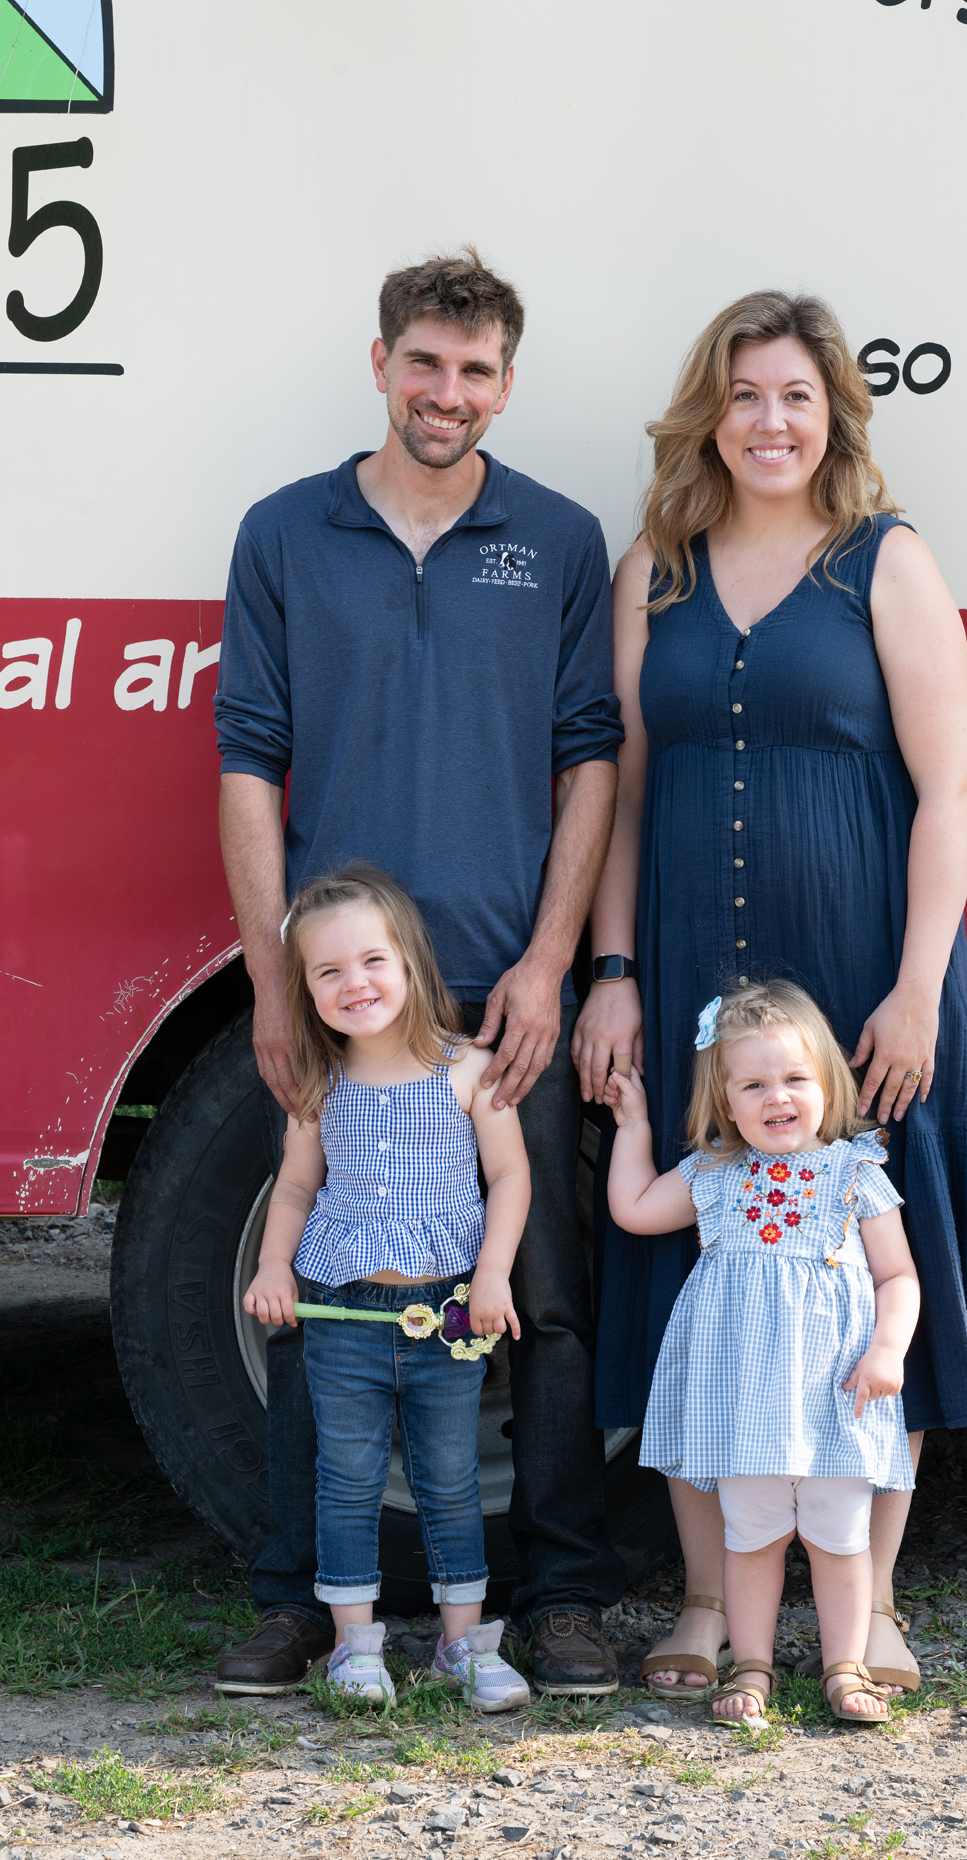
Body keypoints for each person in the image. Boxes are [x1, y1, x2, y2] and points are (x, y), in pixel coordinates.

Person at [574, 289, 967, 1699]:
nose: (771, 422)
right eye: (746, 395)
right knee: (694, 1280)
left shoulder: (885, 563)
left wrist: (914, 989)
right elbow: (623, 792)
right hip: (694, 962)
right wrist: (615, 971)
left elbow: (951, 788)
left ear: (835, 418)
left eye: (797, 398)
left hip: (865, 974)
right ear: (711, 412)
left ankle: (867, 1608)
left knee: (872, 1275)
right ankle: (709, 1602)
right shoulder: (655, 568)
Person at [213, 249, 627, 1699]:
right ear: (380, 363)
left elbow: (592, 759)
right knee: (315, 1286)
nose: (447, 394)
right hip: (348, 1000)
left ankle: (563, 1593)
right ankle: (292, 1601)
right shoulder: (283, 535)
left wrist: (548, 961)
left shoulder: (560, 539)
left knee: (544, 1291)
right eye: (424, 364)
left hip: (500, 996)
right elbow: (247, 764)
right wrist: (276, 983)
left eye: (475, 371)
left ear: (506, 386)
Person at [243, 864, 533, 1713]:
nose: (353, 984)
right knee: (348, 1477)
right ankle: (353, 1646)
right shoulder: (319, 1086)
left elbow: (509, 1178)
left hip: (446, 1315)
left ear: (408, 963)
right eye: (328, 972)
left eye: (370, 961)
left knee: (448, 1479)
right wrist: (270, 1266)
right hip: (344, 1319)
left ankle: (461, 1645)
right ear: (305, 988)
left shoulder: (468, 1071)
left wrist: (491, 1275)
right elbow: (295, 1187)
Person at [605, 982, 920, 1725]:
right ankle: (749, 1667)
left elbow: (897, 1275)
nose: (776, 1098)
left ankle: (844, 1666)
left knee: (840, 1540)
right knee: (750, 1540)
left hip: (834, 1394)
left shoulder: (855, 1173)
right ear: (725, 1101)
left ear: (826, 1084)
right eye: (753, 1085)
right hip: (741, 1401)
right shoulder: (713, 1174)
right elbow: (631, 1210)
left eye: (793, 1079)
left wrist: (888, 1349)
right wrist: (630, 1125)